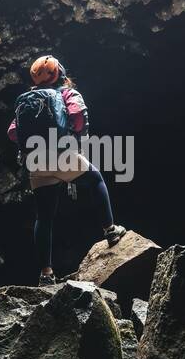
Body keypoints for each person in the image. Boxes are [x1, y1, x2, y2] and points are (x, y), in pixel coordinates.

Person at [8, 56, 127, 285]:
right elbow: (78, 119)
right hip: (61, 154)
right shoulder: (65, 93)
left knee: (44, 217)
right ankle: (111, 230)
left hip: (35, 161)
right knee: (95, 180)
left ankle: (45, 274)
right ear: (59, 73)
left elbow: (13, 133)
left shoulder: (26, 101)